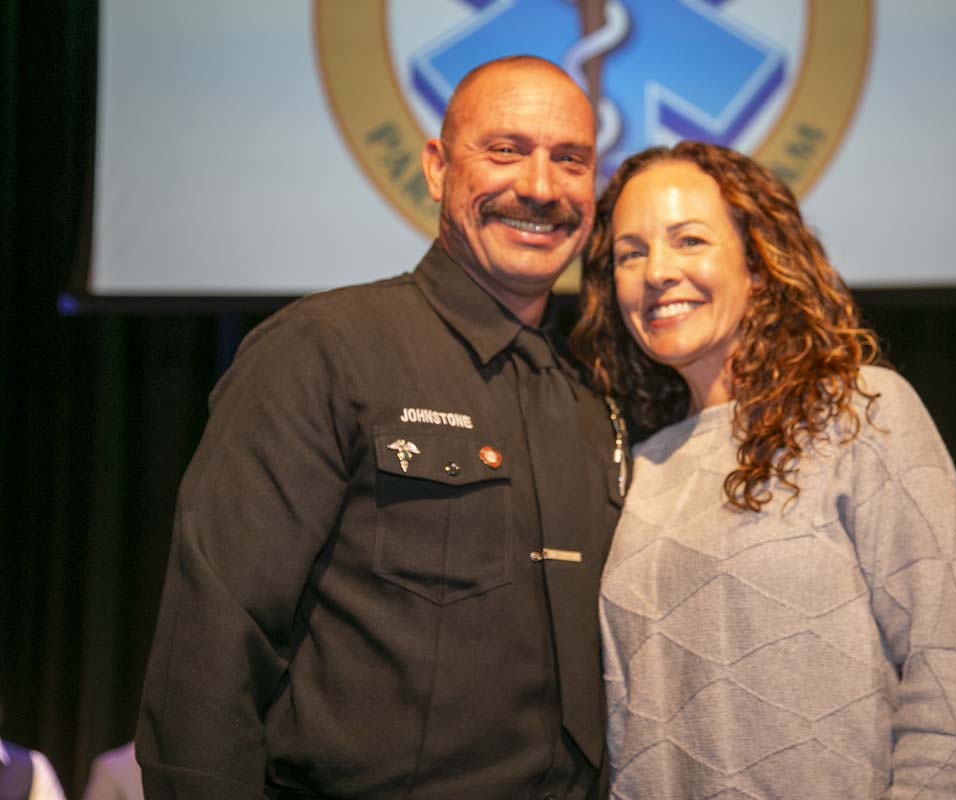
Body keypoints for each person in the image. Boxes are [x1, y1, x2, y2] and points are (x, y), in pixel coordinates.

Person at [137, 56, 624, 799]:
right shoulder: (325, 350)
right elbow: (212, 642)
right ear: (436, 168)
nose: (539, 187)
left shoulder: (595, 405)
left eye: (570, 160)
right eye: (505, 150)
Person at [572, 142, 956, 799]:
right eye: (631, 253)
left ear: (760, 263)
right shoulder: (638, 465)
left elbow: (948, 668)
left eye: (688, 240)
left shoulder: (862, 411)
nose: (657, 271)